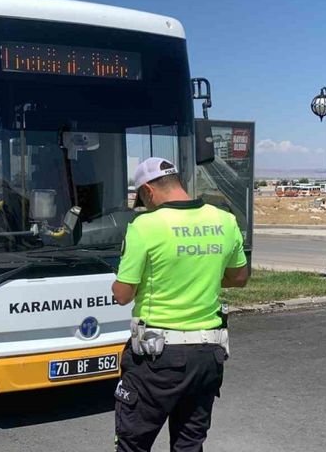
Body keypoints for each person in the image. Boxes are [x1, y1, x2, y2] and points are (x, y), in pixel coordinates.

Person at [111, 157, 249, 452]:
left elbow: (123, 294)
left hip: (156, 358)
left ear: (148, 190)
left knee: (133, 444)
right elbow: (239, 277)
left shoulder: (144, 226)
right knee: (189, 444)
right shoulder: (224, 220)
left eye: (143, 200)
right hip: (207, 355)